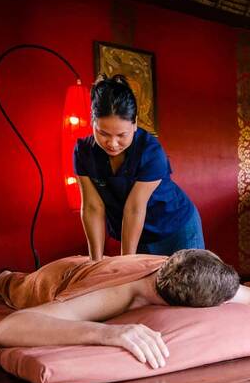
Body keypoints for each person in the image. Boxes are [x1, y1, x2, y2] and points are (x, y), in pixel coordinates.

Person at [0, 249, 250, 369]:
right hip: (63, 274)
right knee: (17, 287)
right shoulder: (120, 295)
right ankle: (3, 278)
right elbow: (7, 328)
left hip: (109, 261)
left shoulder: (201, 280)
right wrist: (105, 332)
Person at [75, 74, 203, 260]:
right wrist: (95, 262)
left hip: (176, 228)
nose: (112, 143)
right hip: (137, 231)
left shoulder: (151, 152)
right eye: (103, 133)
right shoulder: (84, 152)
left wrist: (126, 264)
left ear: (134, 124)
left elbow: (134, 208)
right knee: (143, 288)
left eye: (121, 135)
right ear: (93, 122)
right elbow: (92, 207)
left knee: (190, 286)